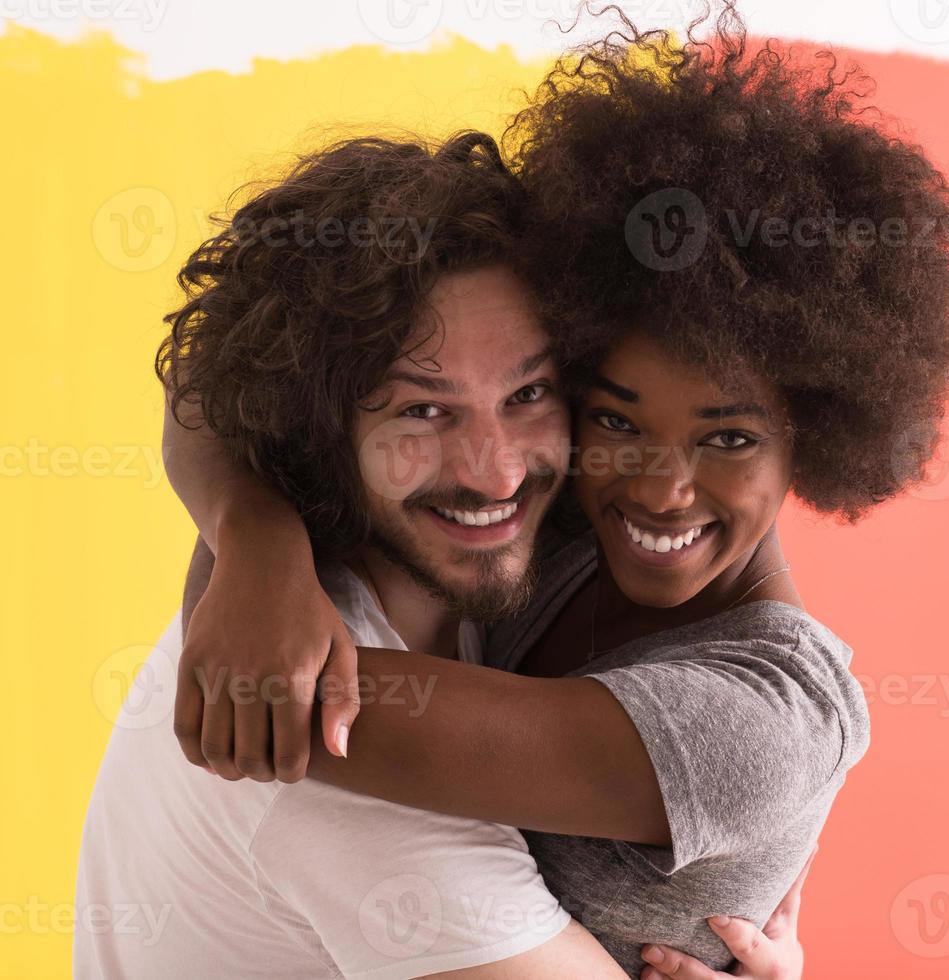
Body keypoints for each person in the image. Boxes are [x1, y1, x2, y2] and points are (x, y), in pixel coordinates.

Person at [165, 5, 949, 976]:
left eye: (726, 437)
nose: (663, 489)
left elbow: (277, 706)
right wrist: (253, 531)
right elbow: (229, 380)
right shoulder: (551, 514)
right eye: (619, 421)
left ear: (815, 429)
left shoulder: (758, 728)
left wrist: (248, 571)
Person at [77, 131, 789, 980]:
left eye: (526, 393)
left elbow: (204, 375)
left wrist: (248, 530)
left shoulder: (418, 556)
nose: (495, 472)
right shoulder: (335, 768)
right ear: (316, 425)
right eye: (422, 412)